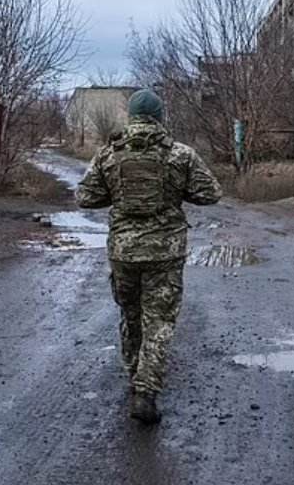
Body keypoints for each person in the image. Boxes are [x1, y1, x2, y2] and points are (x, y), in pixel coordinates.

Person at [76, 89, 222, 424]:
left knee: (130, 313)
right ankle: (146, 389)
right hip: (165, 251)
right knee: (159, 320)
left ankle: (135, 374)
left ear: (130, 117)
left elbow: (85, 197)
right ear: (159, 117)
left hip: (124, 251)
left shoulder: (108, 154)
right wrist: (177, 191)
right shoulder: (181, 154)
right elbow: (211, 193)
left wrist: (117, 197)